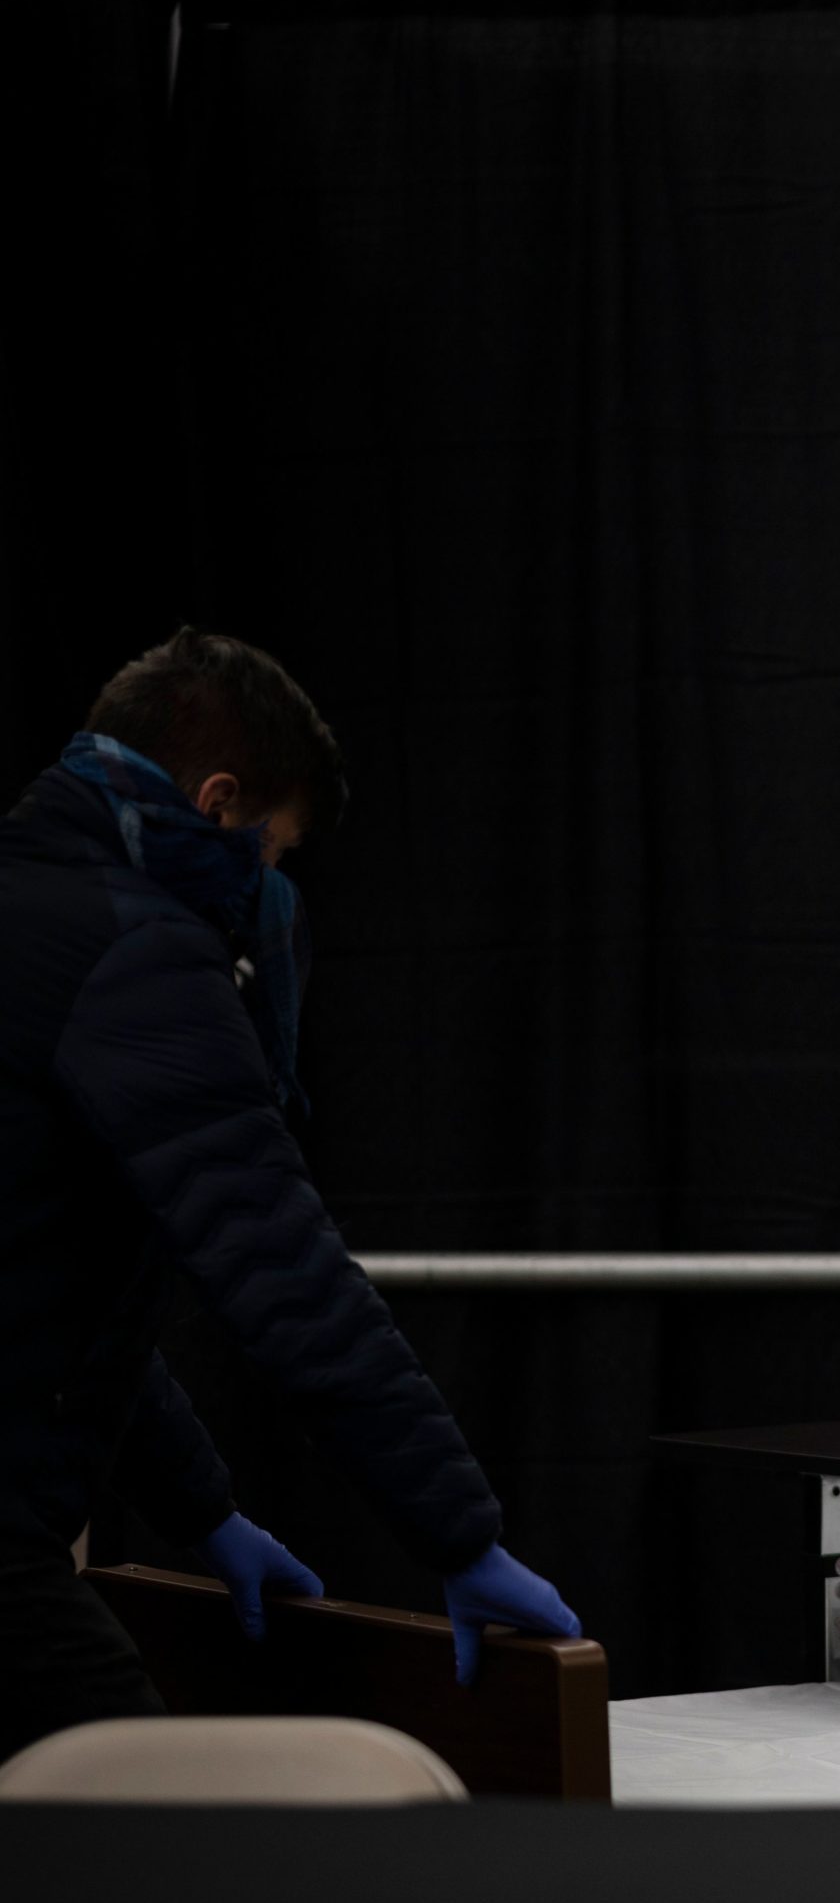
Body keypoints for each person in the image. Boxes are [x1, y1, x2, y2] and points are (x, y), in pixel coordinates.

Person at [0, 626, 576, 1760]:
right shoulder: (140, 953)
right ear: (217, 802)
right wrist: (459, 1535)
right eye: (272, 853)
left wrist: (204, 1509)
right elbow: (282, 1271)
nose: (267, 892)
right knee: (146, 1863)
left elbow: (51, 1303)